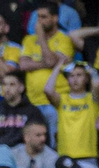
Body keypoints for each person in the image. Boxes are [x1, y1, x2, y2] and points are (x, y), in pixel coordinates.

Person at [18, 2, 73, 138]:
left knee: (54, 142)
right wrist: (50, 63)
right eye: (38, 17)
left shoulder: (64, 39)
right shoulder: (29, 40)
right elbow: (24, 65)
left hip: (55, 101)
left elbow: (50, 61)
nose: (39, 21)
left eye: (44, 17)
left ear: (55, 18)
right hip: (33, 102)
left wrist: (41, 37)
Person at [45, 61, 99, 168]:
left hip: (88, 155)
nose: (75, 79)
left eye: (79, 75)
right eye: (71, 76)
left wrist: (90, 70)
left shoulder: (92, 99)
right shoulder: (62, 99)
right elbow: (48, 90)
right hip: (65, 156)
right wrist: (58, 66)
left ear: (87, 78)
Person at [0, 71, 42, 148]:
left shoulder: (32, 111)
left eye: (12, 85)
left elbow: (40, 137)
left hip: (24, 154)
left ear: (21, 88)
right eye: (4, 84)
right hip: (0, 154)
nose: (7, 89)